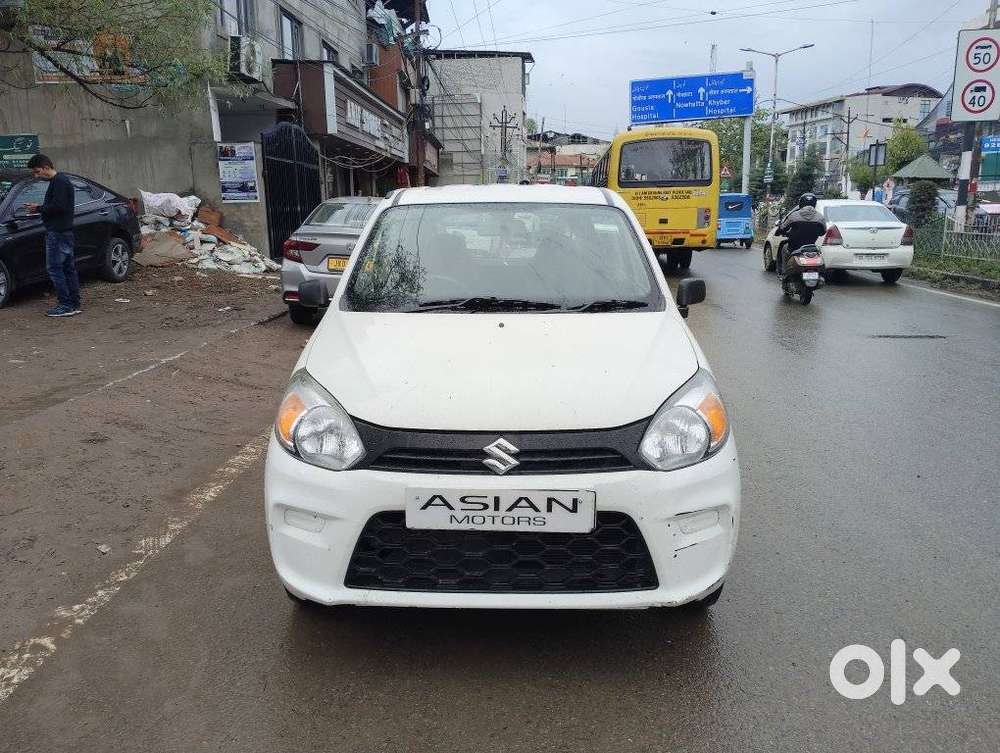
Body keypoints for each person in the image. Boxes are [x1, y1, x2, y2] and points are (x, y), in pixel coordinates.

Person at [24, 154, 80, 317]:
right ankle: (73, 303)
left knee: (55, 269)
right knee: (68, 269)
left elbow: (59, 207)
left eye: (37, 171)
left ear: (46, 167)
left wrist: (38, 208)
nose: (36, 176)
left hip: (58, 233)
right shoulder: (59, 181)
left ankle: (65, 304)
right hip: (64, 232)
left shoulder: (60, 182)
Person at [775, 193, 827, 276]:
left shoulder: (794, 215)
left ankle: (784, 273)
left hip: (794, 247)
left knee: (784, 248)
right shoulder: (820, 217)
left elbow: (782, 228)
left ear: (801, 203)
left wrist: (779, 231)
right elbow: (823, 232)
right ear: (814, 203)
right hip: (811, 247)